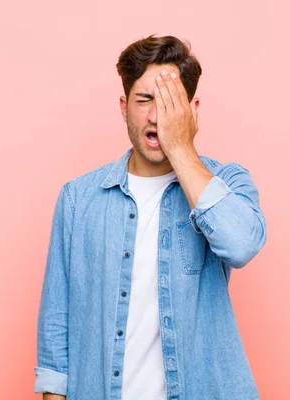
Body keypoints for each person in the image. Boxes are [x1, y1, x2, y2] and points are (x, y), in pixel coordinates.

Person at [34, 35, 267, 400]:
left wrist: (181, 147)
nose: (156, 116)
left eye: (170, 103)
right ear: (125, 105)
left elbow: (241, 244)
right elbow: (56, 327)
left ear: (192, 109)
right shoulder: (78, 199)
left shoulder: (227, 182)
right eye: (144, 100)